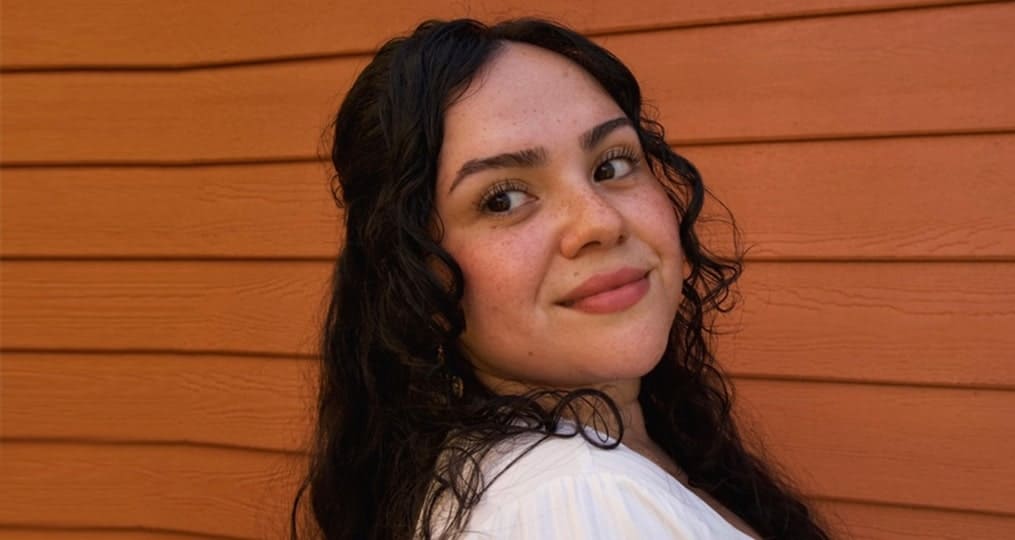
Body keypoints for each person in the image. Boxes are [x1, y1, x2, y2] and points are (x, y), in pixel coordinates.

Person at [291, 18, 832, 540]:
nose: (599, 220)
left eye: (612, 165)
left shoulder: (597, 462)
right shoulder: (578, 500)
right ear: (414, 279)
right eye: (503, 199)